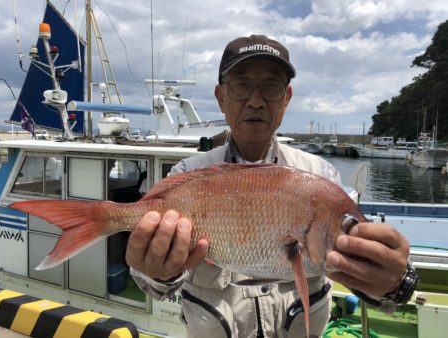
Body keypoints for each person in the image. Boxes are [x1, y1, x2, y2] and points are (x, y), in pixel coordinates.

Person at [126, 34, 414, 338]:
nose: (256, 101)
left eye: (271, 87)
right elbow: (153, 288)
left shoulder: (321, 175)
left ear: (286, 99)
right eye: (241, 85)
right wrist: (157, 271)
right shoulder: (188, 172)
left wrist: (395, 283)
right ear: (221, 98)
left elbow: (356, 272)